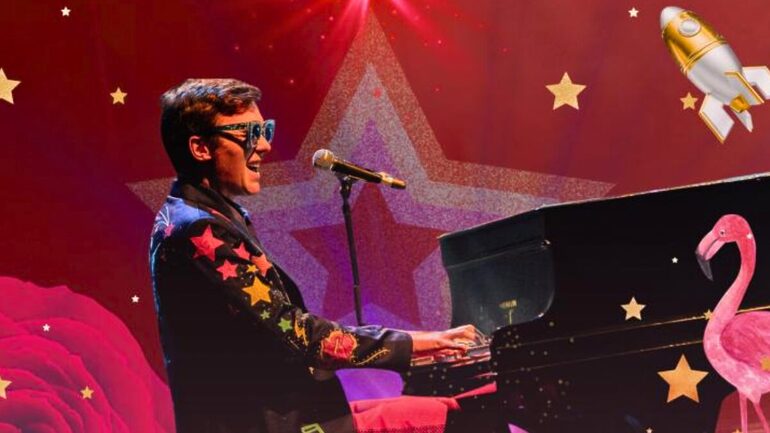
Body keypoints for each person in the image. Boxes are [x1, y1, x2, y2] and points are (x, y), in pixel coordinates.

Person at [149, 78, 482, 433]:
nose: (264, 145)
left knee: (451, 407)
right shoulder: (199, 230)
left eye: (265, 130)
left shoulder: (201, 216)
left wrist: (416, 346)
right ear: (201, 148)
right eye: (250, 133)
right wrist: (417, 344)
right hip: (270, 424)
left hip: (290, 415)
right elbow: (297, 333)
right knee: (460, 416)